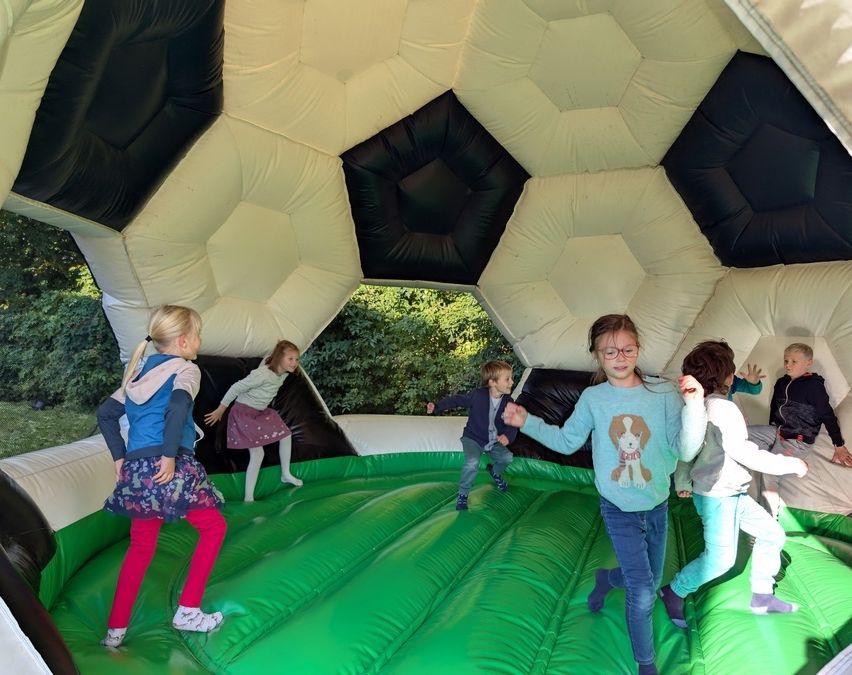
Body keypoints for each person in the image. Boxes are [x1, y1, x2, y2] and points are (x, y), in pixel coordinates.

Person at [501, 314, 706, 675]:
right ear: (596, 355)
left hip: (657, 505)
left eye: (627, 349)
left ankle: (606, 579)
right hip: (618, 508)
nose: (619, 358)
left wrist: (694, 405)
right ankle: (646, 664)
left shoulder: (663, 394)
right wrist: (527, 422)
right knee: (643, 592)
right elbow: (567, 442)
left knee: (649, 579)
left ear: (638, 349)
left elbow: (686, 450)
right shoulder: (594, 398)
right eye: (609, 352)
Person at [95, 305, 227, 648]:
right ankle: (188, 610)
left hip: (138, 472)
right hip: (171, 466)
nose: (199, 341)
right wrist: (169, 455)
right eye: (197, 335)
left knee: (141, 547)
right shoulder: (186, 369)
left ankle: (115, 631)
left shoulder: (138, 373)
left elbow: (106, 414)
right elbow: (178, 406)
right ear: (183, 341)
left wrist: (120, 458)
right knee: (214, 528)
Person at [660, 341, 808, 630]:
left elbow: (687, 452)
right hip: (718, 497)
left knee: (772, 534)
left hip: (731, 492)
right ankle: (674, 590)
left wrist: (682, 480)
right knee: (720, 560)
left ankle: (762, 595)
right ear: (727, 376)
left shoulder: (696, 406)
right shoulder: (723, 408)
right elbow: (743, 452)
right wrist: (790, 464)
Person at [748, 342, 852, 519]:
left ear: (808, 363)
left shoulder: (814, 386)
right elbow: (774, 408)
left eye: (794, 361)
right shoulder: (781, 382)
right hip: (778, 432)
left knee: (769, 473)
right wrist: (772, 430)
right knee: (742, 433)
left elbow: (827, 415)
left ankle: (769, 519)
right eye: (786, 360)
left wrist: (839, 445)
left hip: (797, 441)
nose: (788, 365)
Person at [205, 340, 304, 502]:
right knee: (258, 454)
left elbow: (270, 357)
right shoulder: (263, 374)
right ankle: (248, 497)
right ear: (279, 358)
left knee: (286, 435)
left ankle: (286, 474)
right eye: (291, 359)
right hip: (244, 413)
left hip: (260, 412)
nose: (295, 363)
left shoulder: (283, 373)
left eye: (297, 359)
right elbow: (236, 387)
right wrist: (220, 409)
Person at [427, 360, 517, 511]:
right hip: (473, 438)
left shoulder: (509, 402)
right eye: (507, 379)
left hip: (493, 440)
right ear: (492, 382)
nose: (512, 382)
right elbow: (457, 400)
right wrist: (437, 406)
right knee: (472, 462)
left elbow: (513, 423)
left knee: (507, 458)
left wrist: (508, 436)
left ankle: (495, 472)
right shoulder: (478, 395)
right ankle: (463, 494)